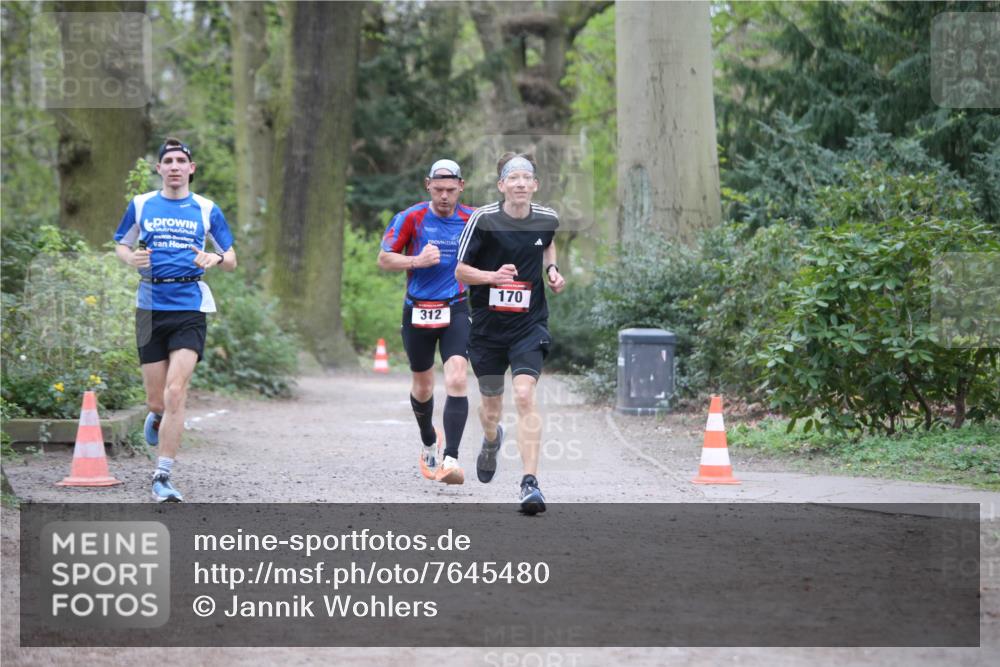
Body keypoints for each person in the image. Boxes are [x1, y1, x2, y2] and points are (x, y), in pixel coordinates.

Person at [113, 138, 236, 502]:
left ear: (191, 169)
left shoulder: (206, 208)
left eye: (181, 160)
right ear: (159, 169)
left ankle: (162, 476)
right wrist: (129, 258)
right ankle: (156, 416)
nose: (175, 166)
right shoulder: (140, 205)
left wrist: (215, 260)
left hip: (189, 306)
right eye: (168, 161)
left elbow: (230, 257)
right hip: (150, 306)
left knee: (176, 391)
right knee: (156, 402)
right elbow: (121, 243)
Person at [455, 152, 565, 514]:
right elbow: (460, 271)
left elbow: (548, 244)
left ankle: (529, 484)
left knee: (523, 395)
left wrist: (552, 271)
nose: (519, 184)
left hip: (528, 326)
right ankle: (491, 440)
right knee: (491, 405)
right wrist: (491, 277)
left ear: (534, 185)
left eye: (525, 178)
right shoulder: (482, 220)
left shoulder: (547, 218)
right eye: (512, 178)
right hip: (487, 329)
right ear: (501, 185)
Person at [378, 159, 475, 485]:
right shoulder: (412, 217)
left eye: (450, 189)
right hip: (418, 309)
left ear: (461, 186)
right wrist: (416, 260)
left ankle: (452, 459)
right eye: (438, 189)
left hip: (456, 308)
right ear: (428, 186)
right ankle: (429, 441)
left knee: (457, 377)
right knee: (422, 384)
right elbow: (384, 258)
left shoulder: (472, 219)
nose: (444, 196)